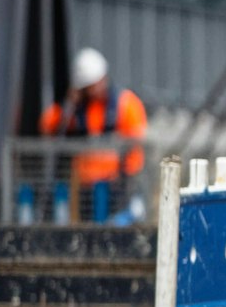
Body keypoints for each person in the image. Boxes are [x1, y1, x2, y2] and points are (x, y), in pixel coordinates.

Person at [39, 47, 149, 205]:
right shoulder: (78, 108)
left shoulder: (125, 103)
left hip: (117, 182)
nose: (94, 89)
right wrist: (69, 104)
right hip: (86, 183)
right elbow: (47, 124)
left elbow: (137, 136)